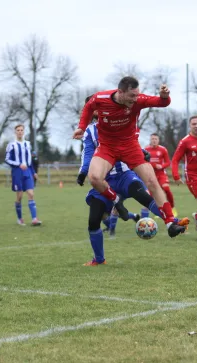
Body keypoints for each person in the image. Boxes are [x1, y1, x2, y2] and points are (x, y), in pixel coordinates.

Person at [72, 76, 185, 237]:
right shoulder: (101, 98)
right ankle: (116, 200)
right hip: (107, 146)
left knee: (152, 181)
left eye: (137, 95)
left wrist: (164, 96)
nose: (135, 99)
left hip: (129, 146)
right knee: (95, 178)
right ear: (120, 92)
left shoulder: (138, 100)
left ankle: (170, 223)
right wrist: (82, 127)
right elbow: (88, 108)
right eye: (132, 96)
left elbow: (161, 103)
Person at [78, 101, 188, 265]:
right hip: (104, 180)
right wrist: (82, 172)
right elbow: (87, 155)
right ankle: (99, 259)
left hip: (124, 175)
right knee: (94, 220)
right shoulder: (89, 132)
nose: (97, 110)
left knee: (142, 195)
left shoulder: (119, 123)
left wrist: (142, 152)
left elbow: (130, 142)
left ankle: (172, 222)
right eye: (93, 108)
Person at [5, 124, 42, 226]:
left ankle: (34, 219)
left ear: (23, 132)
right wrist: (18, 164)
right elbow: (7, 159)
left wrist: (34, 172)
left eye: (22, 130)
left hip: (28, 172)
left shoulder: (28, 144)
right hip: (17, 172)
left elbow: (29, 161)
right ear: (15, 132)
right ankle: (20, 218)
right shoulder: (11, 145)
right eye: (18, 130)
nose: (20, 132)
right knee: (20, 196)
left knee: (31, 194)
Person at [144, 133, 176, 214]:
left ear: (158, 140)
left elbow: (168, 162)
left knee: (166, 189)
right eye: (152, 139)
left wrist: (161, 166)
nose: (154, 141)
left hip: (161, 174)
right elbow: (143, 162)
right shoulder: (146, 149)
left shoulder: (163, 149)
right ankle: (159, 211)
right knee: (151, 194)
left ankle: (172, 207)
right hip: (150, 175)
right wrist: (153, 165)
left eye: (155, 139)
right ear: (150, 140)